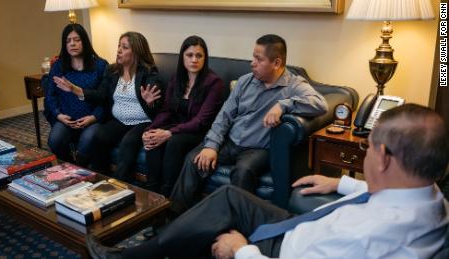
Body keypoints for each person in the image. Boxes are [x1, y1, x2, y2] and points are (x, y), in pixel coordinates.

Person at [86, 103, 449, 259]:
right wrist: (342, 184)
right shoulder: (428, 199)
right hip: (300, 229)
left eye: (369, 149)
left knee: (216, 231)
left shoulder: (369, 238)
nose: (366, 156)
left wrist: (241, 250)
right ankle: (162, 244)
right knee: (228, 197)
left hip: (282, 251)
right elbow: (388, 192)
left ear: (384, 158)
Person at [170, 34, 328, 214]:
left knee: (243, 171)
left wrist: (283, 105)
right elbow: (225, 116)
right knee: (194, 159)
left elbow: (320, 104)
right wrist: (212, 146)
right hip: (230, 141)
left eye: (258, 59)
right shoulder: (246, 81)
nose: (252, 63)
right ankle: (176, 218)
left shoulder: (293, 85)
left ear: (276, 63)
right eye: (253, 56)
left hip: (257, 149)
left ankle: (235, 228)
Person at [55, 32, 162, 183]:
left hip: (142, 122)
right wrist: (75, 89)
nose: (119, 50)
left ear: (136, 52)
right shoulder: (113, 71)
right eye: (119, 46)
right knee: (99, 137)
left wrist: (150, 102)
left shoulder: (149, 73)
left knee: (128, 142)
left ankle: (120, 184)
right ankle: (100, 179)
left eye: (124, 47)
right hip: (119, 120)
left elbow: (157, 108)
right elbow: (100, 95)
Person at [142, 35, 224, 196]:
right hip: (177, 127)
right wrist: (150, 129)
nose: (194, 60)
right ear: (183, 57)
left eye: (199, 56)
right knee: (153, 137)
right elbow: (166, 110)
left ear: (205, 58)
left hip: (199, 133)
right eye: (189, 55)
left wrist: (169, 132)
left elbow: (201, 121)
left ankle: (167, 195)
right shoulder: (176, 78)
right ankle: (151, 195)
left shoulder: (214, 83)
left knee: (174, 142)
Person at [45, 23, 108, 166]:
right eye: (68, 41)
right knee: (54, 141)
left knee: (86, 142)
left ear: (84, 41)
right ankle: (68, 164)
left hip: (92, 119)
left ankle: (80, 169)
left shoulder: (100, 65)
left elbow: (105, 99)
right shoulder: (58, 66)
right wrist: (59, 115)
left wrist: (93, 117)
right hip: (68, 120)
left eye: (77, 40)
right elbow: (50, 96)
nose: (72, 44)